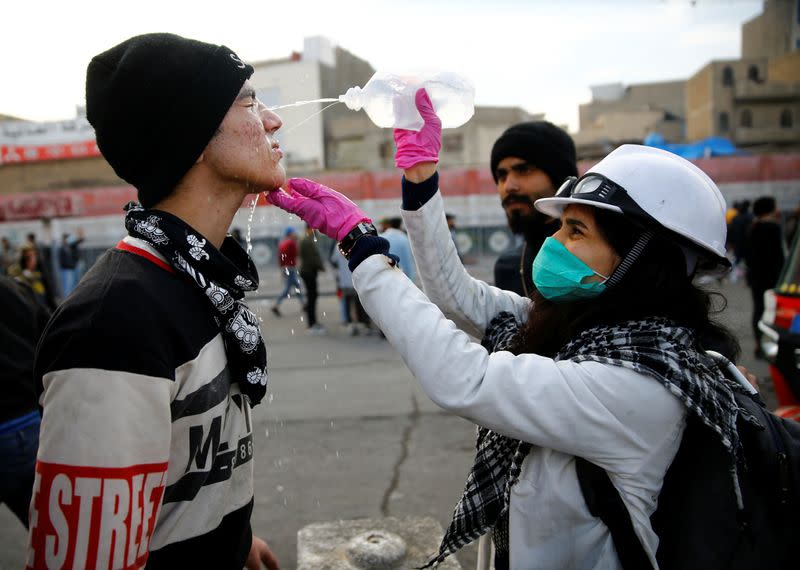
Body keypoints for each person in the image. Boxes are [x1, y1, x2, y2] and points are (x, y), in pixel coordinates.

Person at [266, 90, 752, 569]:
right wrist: (419, 178)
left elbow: (467, 378)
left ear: (642, 265)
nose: (553, 243)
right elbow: (455, 296)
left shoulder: (640, 383)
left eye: (575, 231)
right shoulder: (585, 335)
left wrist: (361, 246)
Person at [27, 33, 279, 570]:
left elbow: (184, 480)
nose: (274, 121)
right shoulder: (115, 324)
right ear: (192, 137)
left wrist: (233, 542)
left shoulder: (201, 280)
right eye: (251, 101)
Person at [491, 121, 577, 296]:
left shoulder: (599, 261)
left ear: (559, 178)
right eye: (501, 175)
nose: (509, 186)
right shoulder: (509, 267)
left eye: (523, 170)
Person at [0, 275, 51, 529]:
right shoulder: (17, 290)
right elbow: (53, 341)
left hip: (20, 422)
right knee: (47, 533)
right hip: (28, 423)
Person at [745, 196, 785, 358]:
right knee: (771, 310)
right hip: (771, 277)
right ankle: (770, 344)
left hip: (756, 276)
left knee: (758, 309)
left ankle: (758, 344)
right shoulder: (772, 228)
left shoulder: (754, 226)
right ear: (770, 209)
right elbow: (779, 257)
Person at [270, 226, 305, 317]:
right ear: (290, 234)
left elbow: (280, 258)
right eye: (294, 233)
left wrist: (282, 268)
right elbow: (298, 254)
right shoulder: (291, 243)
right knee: (287, 289)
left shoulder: (283, 243)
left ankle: (304, 305)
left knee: (297, 286)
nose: (295, 234)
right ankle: (276, 305)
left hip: (285, 268)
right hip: (290, 268)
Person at [299, 224, 326, 334]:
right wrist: (321, 267)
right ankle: (312, 323)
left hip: (308, 271)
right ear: (309, 229)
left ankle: (313, 322)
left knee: (312, 296)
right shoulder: (306, 241)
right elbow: (313, 257)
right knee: (312, 297)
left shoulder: (306, 239)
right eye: (313, 229)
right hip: (309, 272)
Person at [379, 216, 416, 282]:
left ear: (389, 224)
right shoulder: (404, 238)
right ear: (400, 225)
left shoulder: (381, 237)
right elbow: (408, 261)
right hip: (402, 278)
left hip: (384, 277)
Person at [57, 229, 85, 298]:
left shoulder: (70, 246)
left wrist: (80, 233)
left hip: (72, 268)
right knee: (68, 286)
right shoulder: (63, 248)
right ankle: (67, 300)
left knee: (73, 285)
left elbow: (80, 240)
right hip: (66, 269)